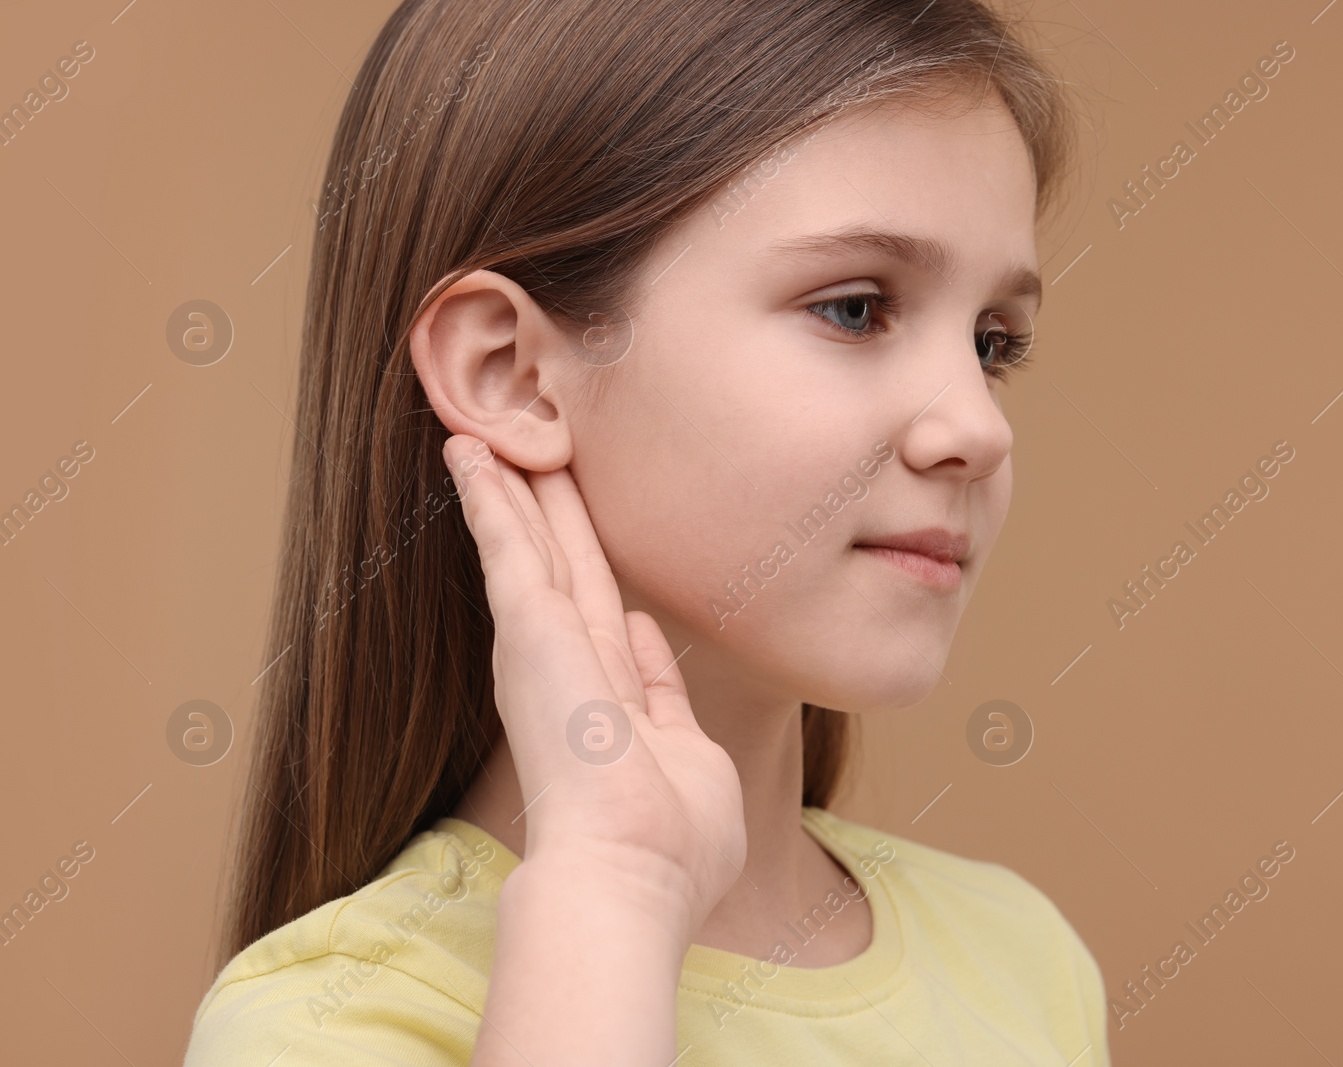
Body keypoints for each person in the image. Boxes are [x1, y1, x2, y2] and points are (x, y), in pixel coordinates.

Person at [182, 0, 1109, 1062]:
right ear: (512, 373)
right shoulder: (331, 1020)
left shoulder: (1020, 960)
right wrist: (615, 883)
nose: (977, 429)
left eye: (994, 344)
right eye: (854, 307)